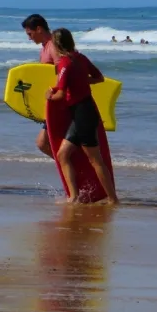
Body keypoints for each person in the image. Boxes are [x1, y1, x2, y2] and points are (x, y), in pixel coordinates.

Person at [44, 28, 119, 205]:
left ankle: (113, 199)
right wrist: (83, 81)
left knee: (96, 160)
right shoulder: (81, 58)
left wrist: (49, 96)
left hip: (83, 114)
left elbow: (60, 94)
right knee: (63, 154)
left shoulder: (64, 63)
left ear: (57, 45)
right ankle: (74, 197)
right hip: (83, 112)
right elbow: (99, 78)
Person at [21, 14, 60, 158]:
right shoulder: (44, 47)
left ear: (39, 29)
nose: (29, 38)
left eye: (30, 34)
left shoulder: (54, 46)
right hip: (51, 102)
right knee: (47, 143)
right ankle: (70, 170)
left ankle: (72, 169)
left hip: (59, 102)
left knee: (43, 143)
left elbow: (63, 71)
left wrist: (57, 95)